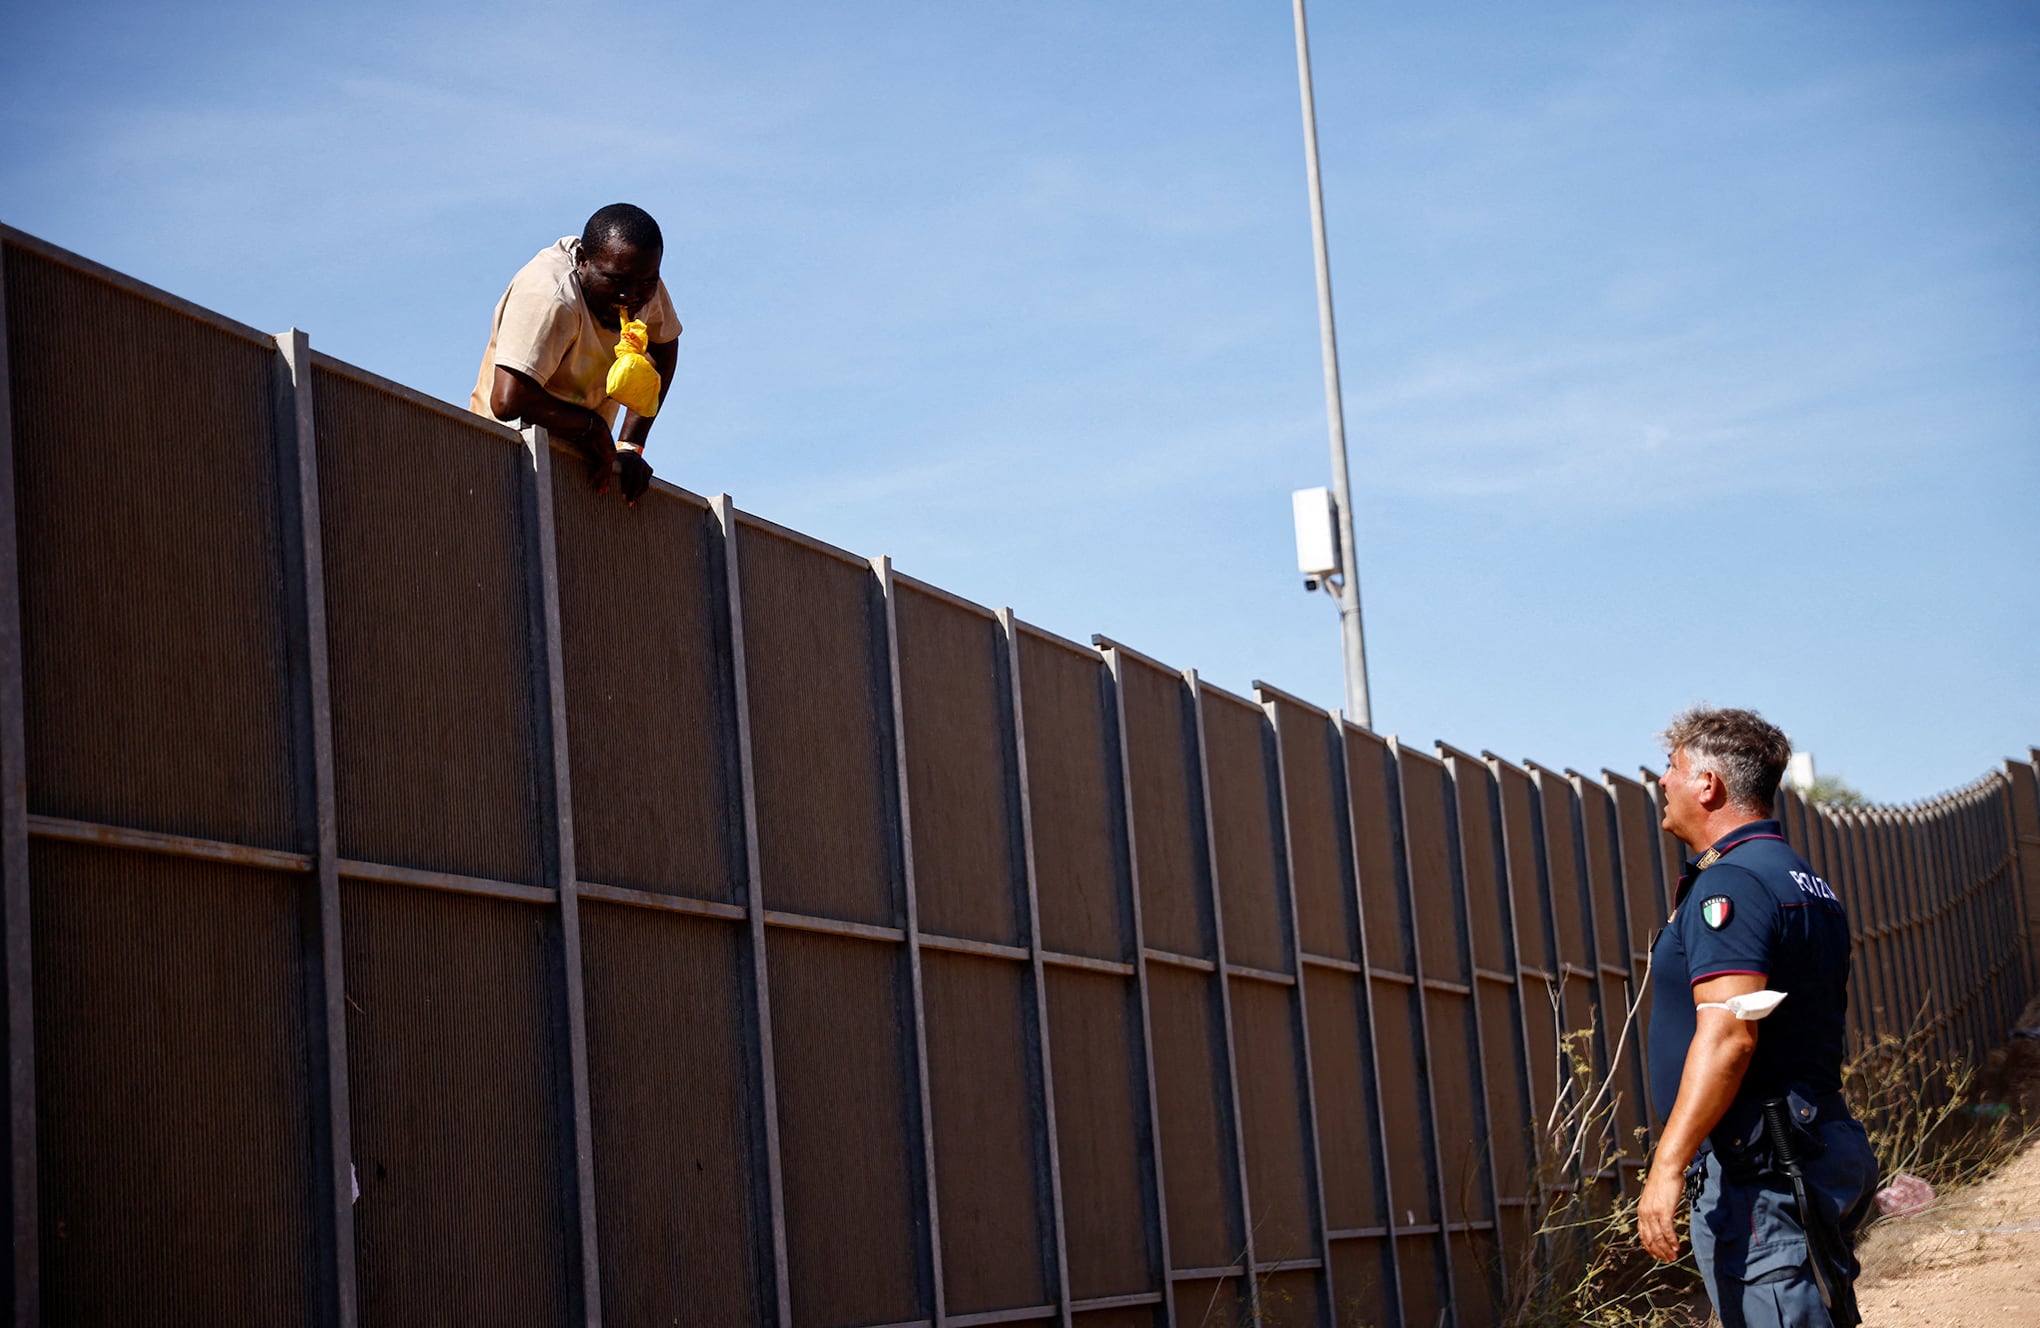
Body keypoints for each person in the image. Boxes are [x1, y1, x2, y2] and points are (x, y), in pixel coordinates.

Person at [1639, 706, 1879, 1328]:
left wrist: (1668, 1165)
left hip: (1762, 1169)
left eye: (1671, 767)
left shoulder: (1734, 885)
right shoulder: (1797, 875)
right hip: (1804, 1143)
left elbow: (1729, 1038)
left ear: (1708, 785)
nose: (1662, 780)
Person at [470, 203, 680, 505]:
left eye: (647, 282)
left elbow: (665, 342)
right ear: (583, 260)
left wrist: (630, 446)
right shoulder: (549, 295)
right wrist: (591, 428)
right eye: (616, 281)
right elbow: (507, 400)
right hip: (501, 456)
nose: (631, 297)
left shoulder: (639, 281)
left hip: (584, 464)